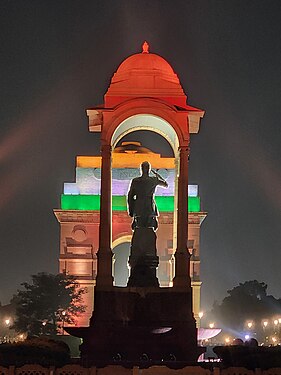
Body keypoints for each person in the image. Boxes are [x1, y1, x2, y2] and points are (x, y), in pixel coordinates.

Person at [127, 161, 168, 230]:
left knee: (139, 228)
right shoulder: (153, 180)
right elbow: (165, 185)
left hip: (139, 207)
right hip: (149, 207)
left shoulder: (136, 181)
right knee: (150, 228)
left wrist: (131, 210)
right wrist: (157, 175)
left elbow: (130, 196)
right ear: (149, 169)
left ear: (141, 169)